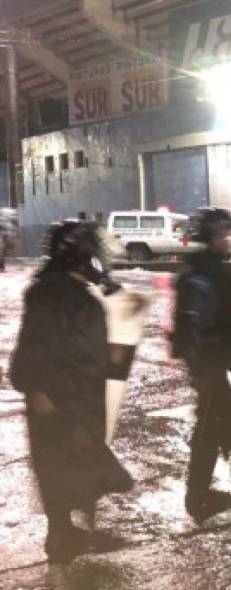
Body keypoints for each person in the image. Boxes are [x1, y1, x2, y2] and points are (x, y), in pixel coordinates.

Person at [10, 220, 133, 561]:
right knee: (62, 464)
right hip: (59, 396)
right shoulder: (52, 292)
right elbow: (34, 343)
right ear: (79, 254)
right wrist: (35, 388)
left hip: (79, 391)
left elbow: (78, 341)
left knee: (74, 462)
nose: (100, 256)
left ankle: (68, 532)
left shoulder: (72, 289)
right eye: (94, 249)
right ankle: (61, 539)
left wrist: (110, 356)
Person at [172, 207, 231, 522]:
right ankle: (200, 497)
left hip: (211, 361)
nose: (228, 239)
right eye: (222, 234)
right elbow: (219, 316)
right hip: (209, 361)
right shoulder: (204, 272)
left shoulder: (206, 268)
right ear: (208, 237)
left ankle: (219, 491)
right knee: (213, 426)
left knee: (223, 423)